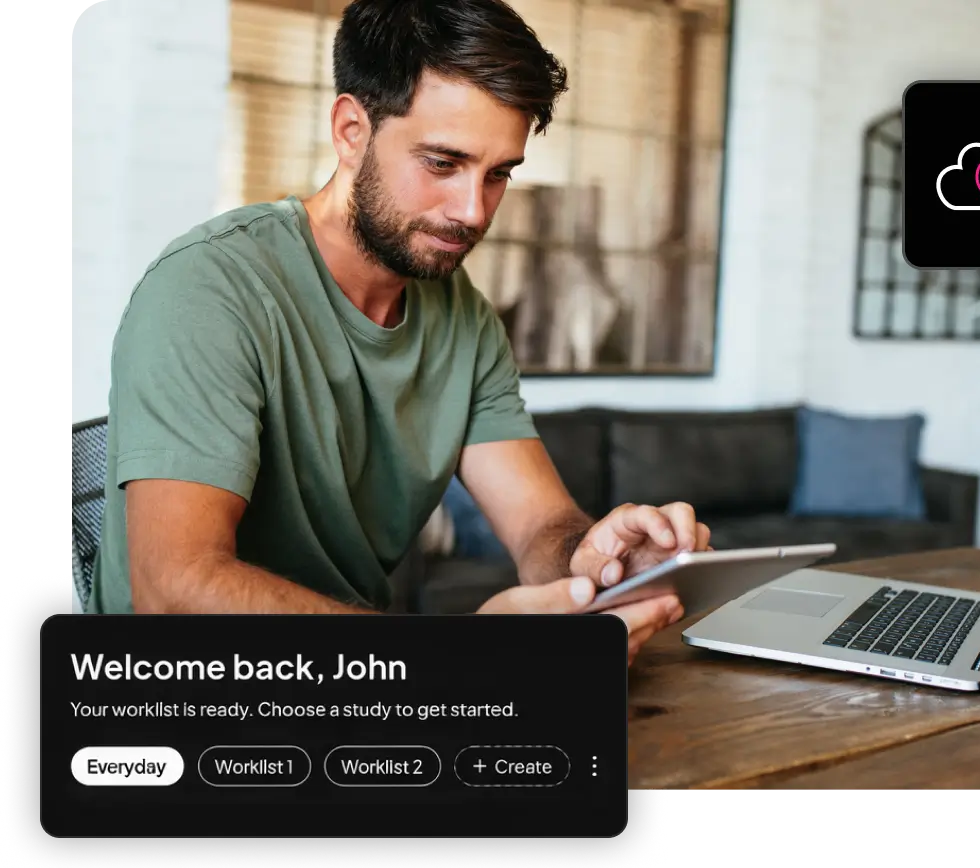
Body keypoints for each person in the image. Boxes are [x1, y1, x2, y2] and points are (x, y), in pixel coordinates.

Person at [86, 0, 711, 665]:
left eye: (499, 173)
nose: (473, 211)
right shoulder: (209, 290)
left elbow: (539, 525)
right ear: (353, 130)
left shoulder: (461, 314)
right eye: (443, 163)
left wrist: (598, 558)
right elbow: (173, 589)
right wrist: (441, 660)